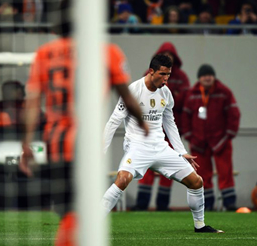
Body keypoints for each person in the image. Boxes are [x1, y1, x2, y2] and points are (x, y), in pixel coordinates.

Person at [19, 0, 148, 246]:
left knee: (70, 209)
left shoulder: (44, 54)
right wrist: (143, 121)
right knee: (81, 209)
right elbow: (125, 94)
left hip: (55, 143)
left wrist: (26, 144)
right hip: (85, 142)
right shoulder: (107, 51)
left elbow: (32, 104)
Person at [102, 54, 223, 233]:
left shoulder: (166, 92)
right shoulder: (133, 90)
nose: (166, 80)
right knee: (122, 180)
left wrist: (181, 151)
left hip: (160, 148)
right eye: (162, 74)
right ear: (151, 72)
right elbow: (113, 122)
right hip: (137, 147)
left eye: (168, 75)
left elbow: (169, 122)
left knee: (196, 182)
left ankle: (200, 226)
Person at [134, 42, 190, 211]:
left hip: (172, 128)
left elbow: (183, 102)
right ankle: (142, 203)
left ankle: (162, 204)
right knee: (147, 167)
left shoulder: (182, 77)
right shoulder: (148, 76)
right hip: (151, 130)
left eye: (170, 55)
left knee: (169, 168)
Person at [182, 64, 241, 211]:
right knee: (202, 175)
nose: (207, 78)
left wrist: (229, 135)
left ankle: (229, 203)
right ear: (199, 78)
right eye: (204, 76)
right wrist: (189, 136)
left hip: (221, 141)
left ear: (214, 77)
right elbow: (185, 117)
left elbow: (234, 114)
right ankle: (206, 204)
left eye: (209, 75)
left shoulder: (224, 92)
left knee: (225, 172)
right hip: (199, 143)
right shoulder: (192, 94)